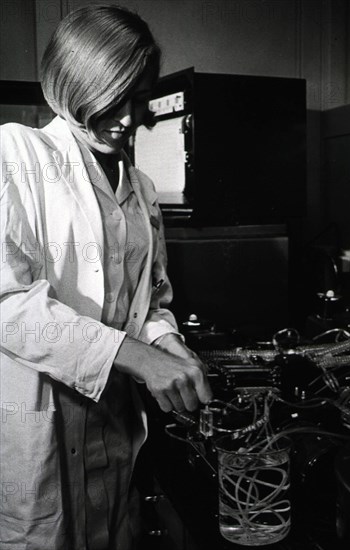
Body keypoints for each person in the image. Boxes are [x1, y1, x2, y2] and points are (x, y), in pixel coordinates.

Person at [0, 5, 212, 550]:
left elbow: (151, 300)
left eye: (140, 98)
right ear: (74, 84)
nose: (130, 117)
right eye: (115, 98)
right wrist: (138, 357)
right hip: (42, 426)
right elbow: (7, 304)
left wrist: (167, 343)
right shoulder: (15, 154)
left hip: (115, 429)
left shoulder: (140, 189)